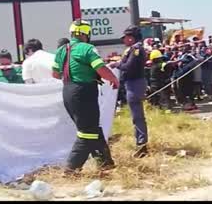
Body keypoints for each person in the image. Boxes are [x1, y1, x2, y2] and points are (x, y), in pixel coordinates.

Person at [52, 19, 119, 173]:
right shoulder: (88, 49)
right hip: (83, 92)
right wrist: (113, 79)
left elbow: (55, 74)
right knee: (87, 133)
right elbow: (100, 68)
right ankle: (70, 170)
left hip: (67, 91)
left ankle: (106, 164)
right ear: (86, 33)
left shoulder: (62, 50)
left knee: (92, 128)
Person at [109, 25, 148, 158]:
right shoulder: (133, 49)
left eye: (125, 38)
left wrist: (116, 64)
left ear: (131, 38)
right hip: (133, 84)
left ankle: (142, 145)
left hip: (135, 84)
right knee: (136, 116)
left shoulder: (136, 49)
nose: (124, 40)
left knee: (137, 116)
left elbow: (129, 67)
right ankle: (141, 143)